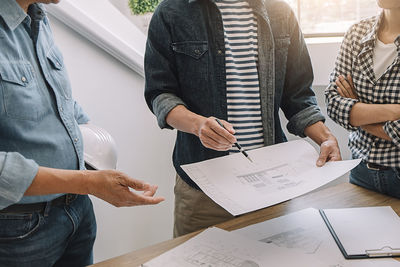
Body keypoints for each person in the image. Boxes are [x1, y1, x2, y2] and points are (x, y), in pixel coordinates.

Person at [145, 0, 341, 237]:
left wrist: (326, 138)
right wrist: (198, 125)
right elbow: (160, 93)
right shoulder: (171, 11)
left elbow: (298, 96)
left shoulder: (281, 12)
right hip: (203, 195)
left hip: (273, 188)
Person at [0, 0, 164, 266]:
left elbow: (55, 102)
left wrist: (94, 153)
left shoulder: (38, 18)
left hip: (77, 212)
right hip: (19, 232)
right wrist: (86, 182)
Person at [326, 0, 400, 198]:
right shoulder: (357, 33)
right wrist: (395, 111)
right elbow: (333, 103)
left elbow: (345, 109)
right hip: (361, 173)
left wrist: (359, 112)